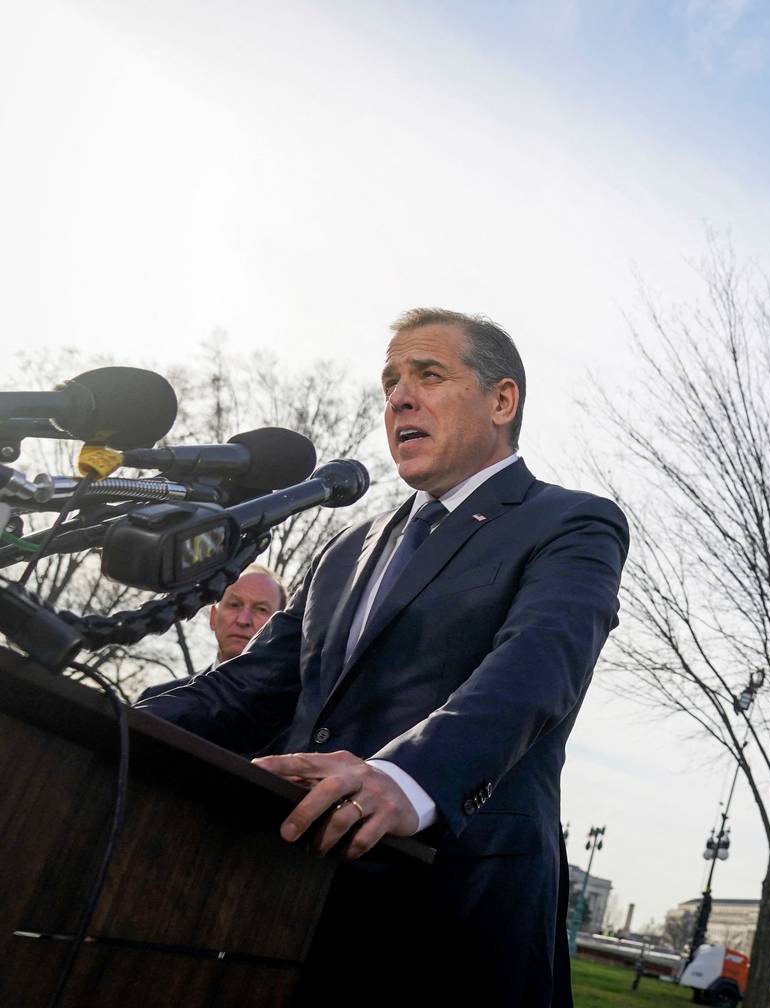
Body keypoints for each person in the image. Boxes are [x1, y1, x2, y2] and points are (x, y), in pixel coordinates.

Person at [138, 308, 628, 1006]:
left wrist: (410, 776)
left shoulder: (572, 522)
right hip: (293, 910)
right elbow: (250, 689)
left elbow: (538, 664)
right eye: (391, 381)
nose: (399, 397)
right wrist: (114, 716)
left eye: (428, 375)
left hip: (455, 917)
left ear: (501, 400)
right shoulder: (348, 549)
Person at [135, 563, 285, 703]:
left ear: (281, 627)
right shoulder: (157, 701)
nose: (243, 620)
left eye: (261, 609)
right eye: (234, 605)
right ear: (213, 617)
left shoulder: (297, 718)